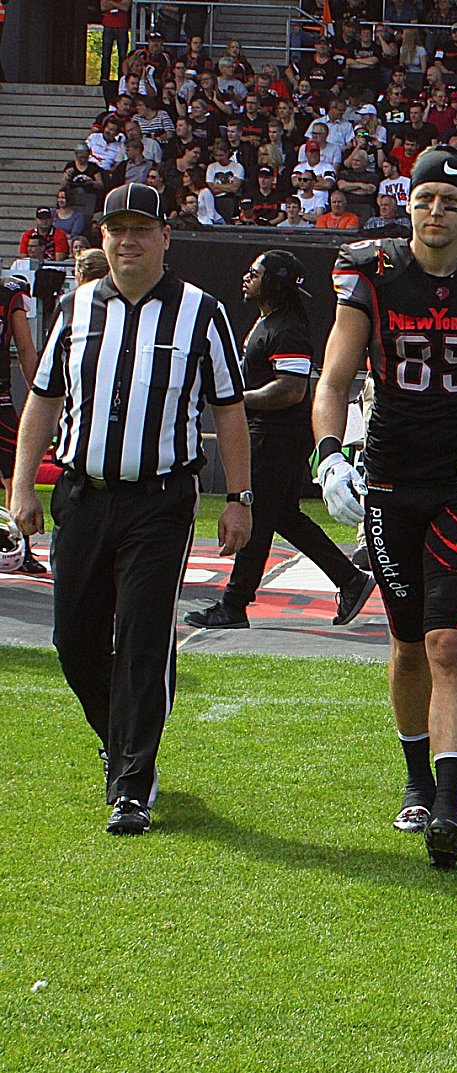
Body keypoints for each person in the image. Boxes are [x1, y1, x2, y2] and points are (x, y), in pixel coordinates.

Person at [313, 146, 457, 869]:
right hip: (390, 480)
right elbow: (334, 377)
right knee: (409, 641)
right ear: (408, 205)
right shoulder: (374, 274)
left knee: (450, 642)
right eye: (425, 200)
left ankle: (448, 802)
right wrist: (329, 453)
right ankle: (416, 779)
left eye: (450, 201)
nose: (436, 211)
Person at [7, 182, 253, 836]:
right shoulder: (74, 307)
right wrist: (22, 485)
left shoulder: (202, 312)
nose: (129, 241)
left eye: (142, 228)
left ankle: (133, 785)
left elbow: (229, 409)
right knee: (73, 641)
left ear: (166, 236)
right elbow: (43, 398)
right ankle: (119, 741)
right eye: (117, 229)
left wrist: (239, 497)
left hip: (159, 500)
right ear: (102, 238)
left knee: (143, 639)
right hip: (83, 495)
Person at [184, 251, 375, 630]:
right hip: (275, 433)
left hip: (277, 436)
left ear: (273, 282)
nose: (246, 278)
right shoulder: (269, 322)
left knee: (255, 515)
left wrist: (234, 399)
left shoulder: (287, 329)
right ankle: (350, 580)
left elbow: (291, 389)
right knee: (285, 516)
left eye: (255, 273)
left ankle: (234, 604)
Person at [0, 274, 44, 574]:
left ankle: (19, 545)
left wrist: (40, 395)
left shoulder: (9, 293)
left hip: (1, 397)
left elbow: (26, 349)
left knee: (13, 476)